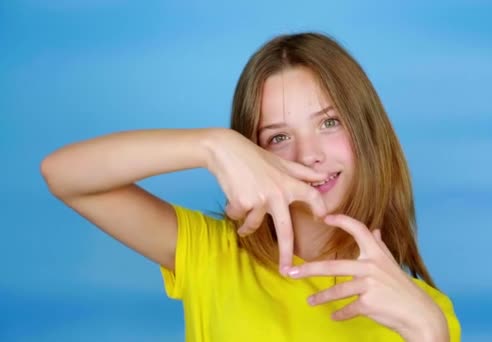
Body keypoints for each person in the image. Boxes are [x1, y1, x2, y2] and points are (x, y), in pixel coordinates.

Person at [41, 32, 461, 341]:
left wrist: (429, 333)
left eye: (329, 123)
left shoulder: (427, 312)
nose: (308, 154)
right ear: (252, 155)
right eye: (278, 137)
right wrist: (210, 145)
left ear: (367, 132)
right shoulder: (211, 253)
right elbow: (63, 175)